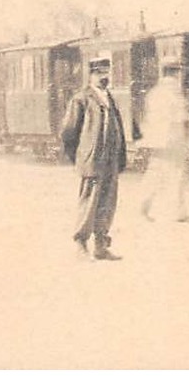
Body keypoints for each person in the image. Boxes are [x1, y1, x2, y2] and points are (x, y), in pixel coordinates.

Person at [60, 53, 135, 260]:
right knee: (89, 202)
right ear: (90, 75)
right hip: (92, 159)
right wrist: (81, 156)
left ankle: (101, 245)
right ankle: (81, 244)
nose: (104, 77)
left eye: (106, 72)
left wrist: (120, 155)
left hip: (110, 159)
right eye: (99, 73)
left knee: (108, 202)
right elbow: (68, 132)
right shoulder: (81, 99)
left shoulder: (109, 97)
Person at [139, 58, 189, 223]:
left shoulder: (154, 92)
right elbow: (181, 117)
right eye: (179, 71)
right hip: (173, 138)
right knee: (177, 175)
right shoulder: (173, 91)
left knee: (155, 173)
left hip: (157, 139)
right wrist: (188, 137)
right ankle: (179, 212)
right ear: (175, 72)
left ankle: (143, 207)